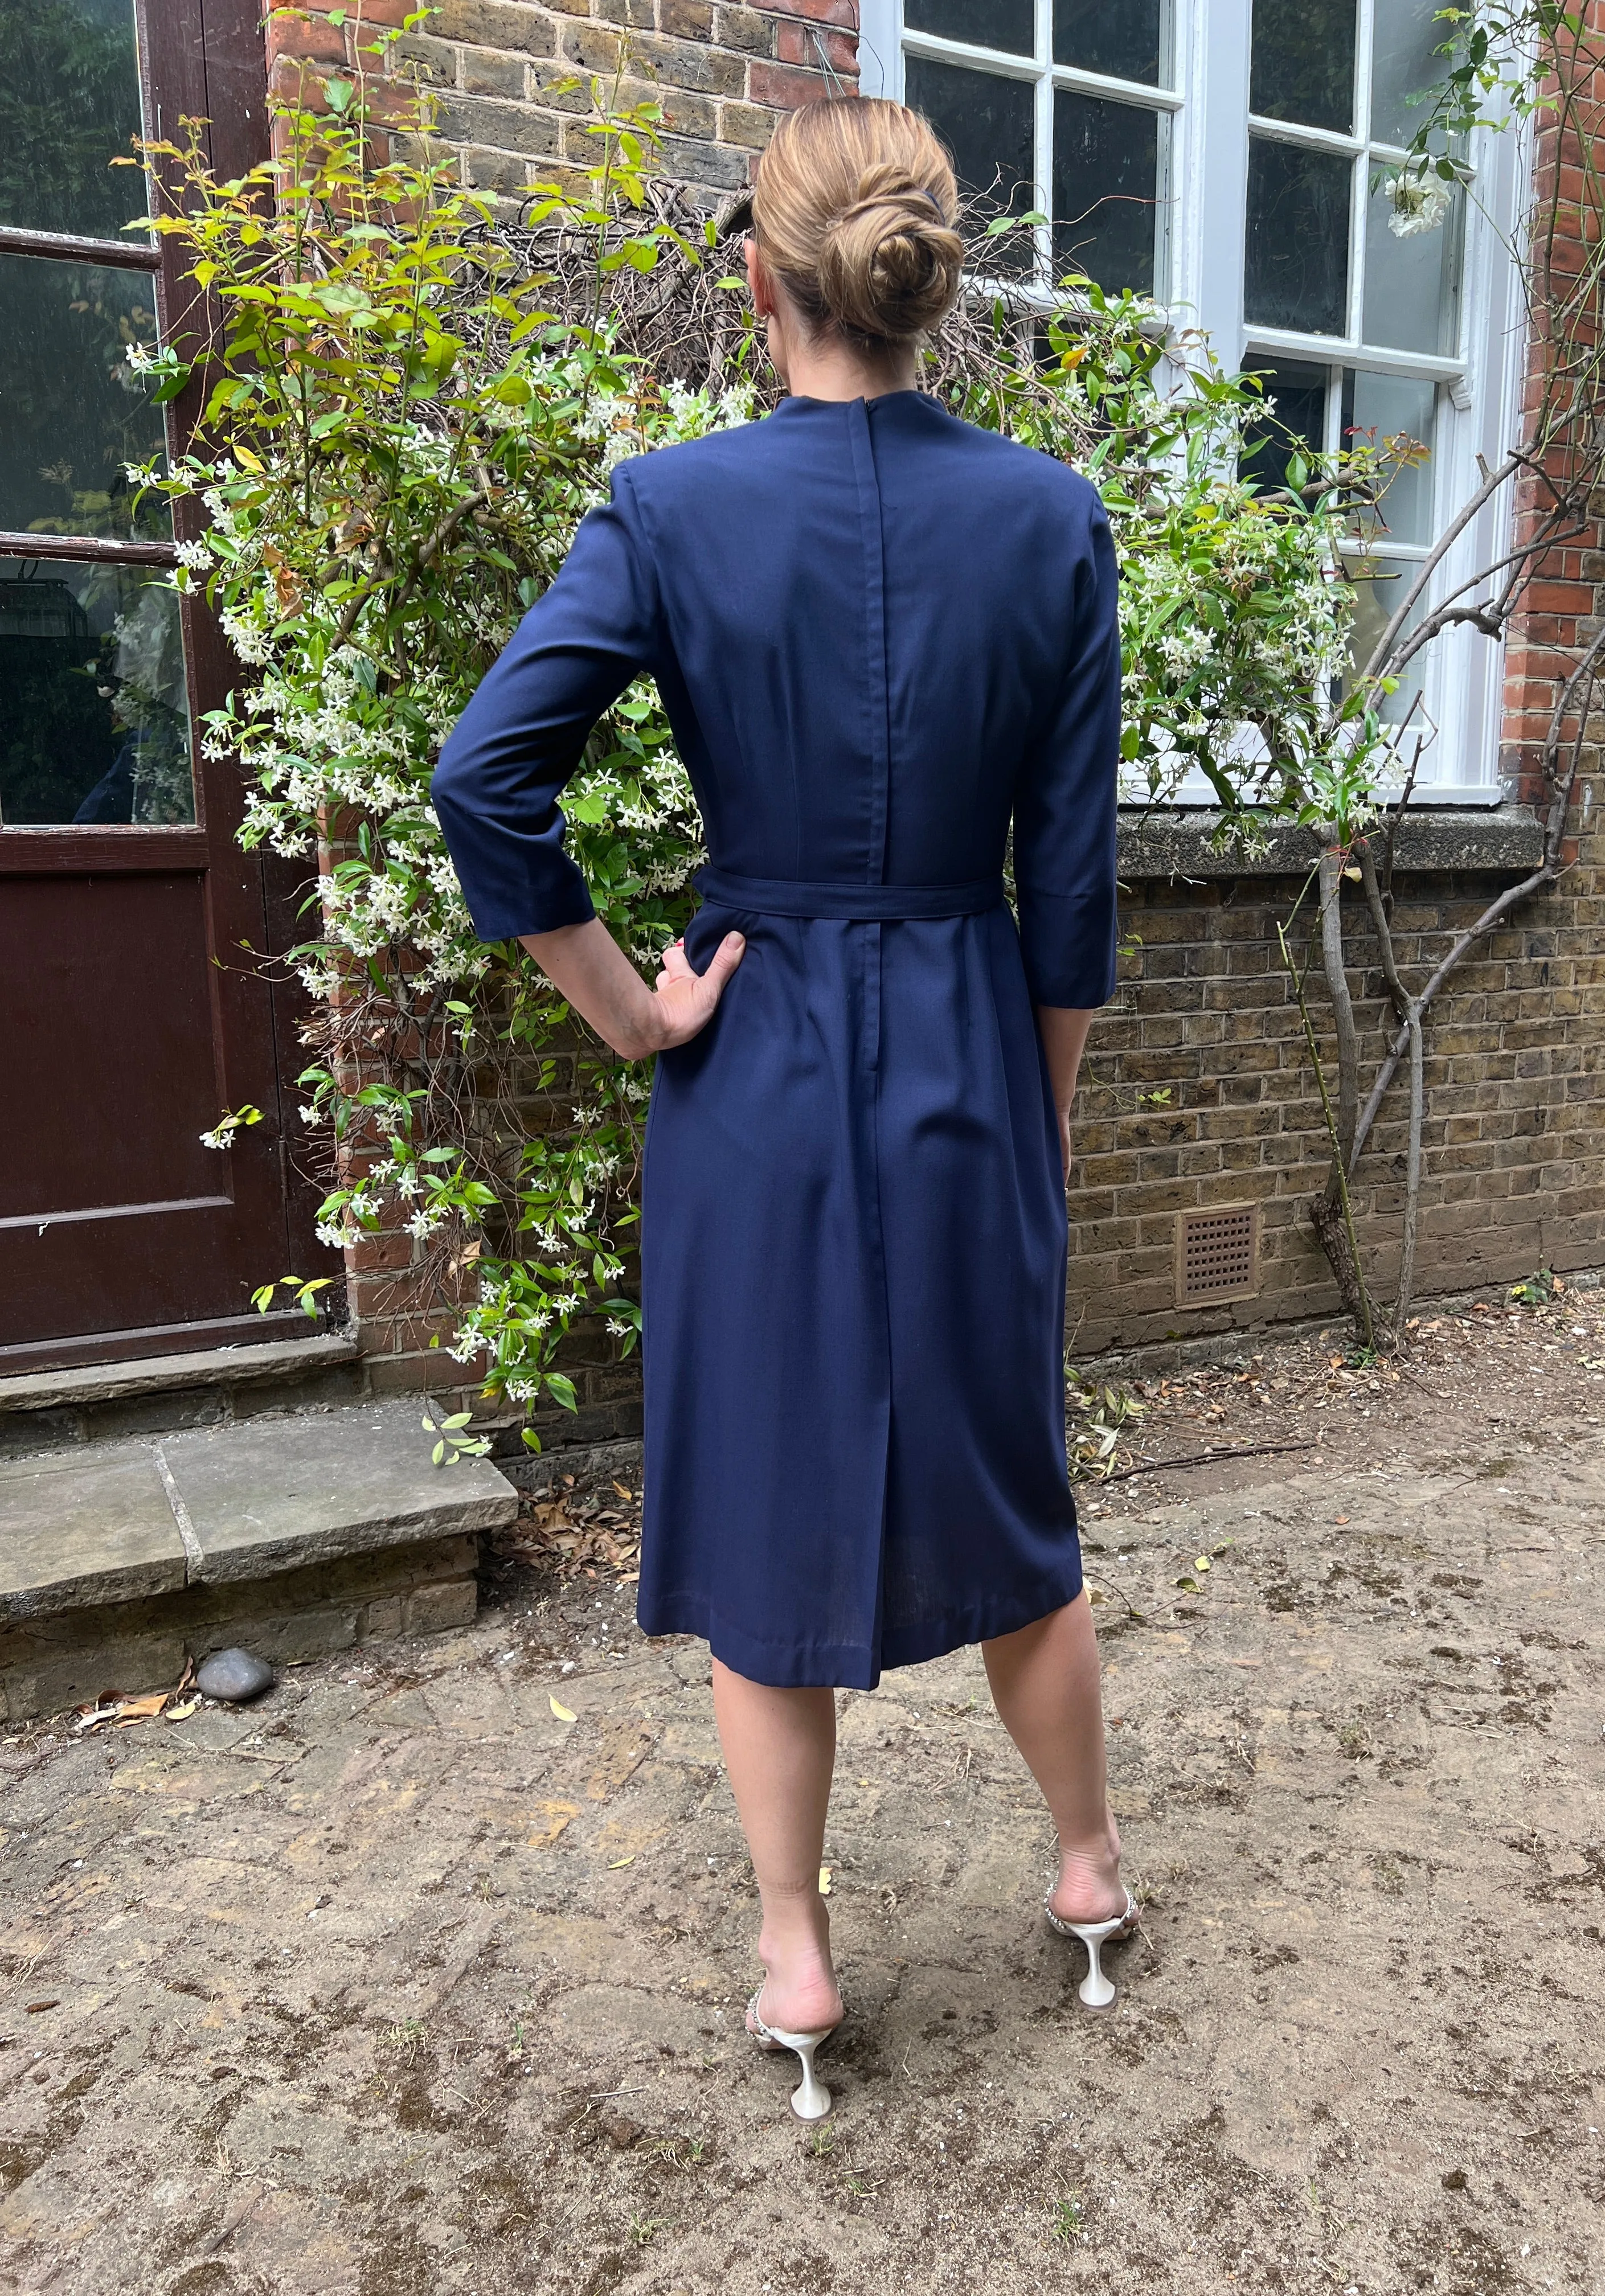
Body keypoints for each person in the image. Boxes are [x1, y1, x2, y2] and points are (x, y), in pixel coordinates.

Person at [432, 95, 1135, 2123]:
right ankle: (1085, 1877)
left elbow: (491, 778)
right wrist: (1043, 1105)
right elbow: (1069, 890)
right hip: (965, 1045)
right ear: (936, 285)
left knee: (763, 1516)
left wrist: (631, 1017)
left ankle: (801, 1963)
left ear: (759, 280)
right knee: (1015, 1502)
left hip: (750, 1058)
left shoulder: (667, 508)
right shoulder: (1050, 518)